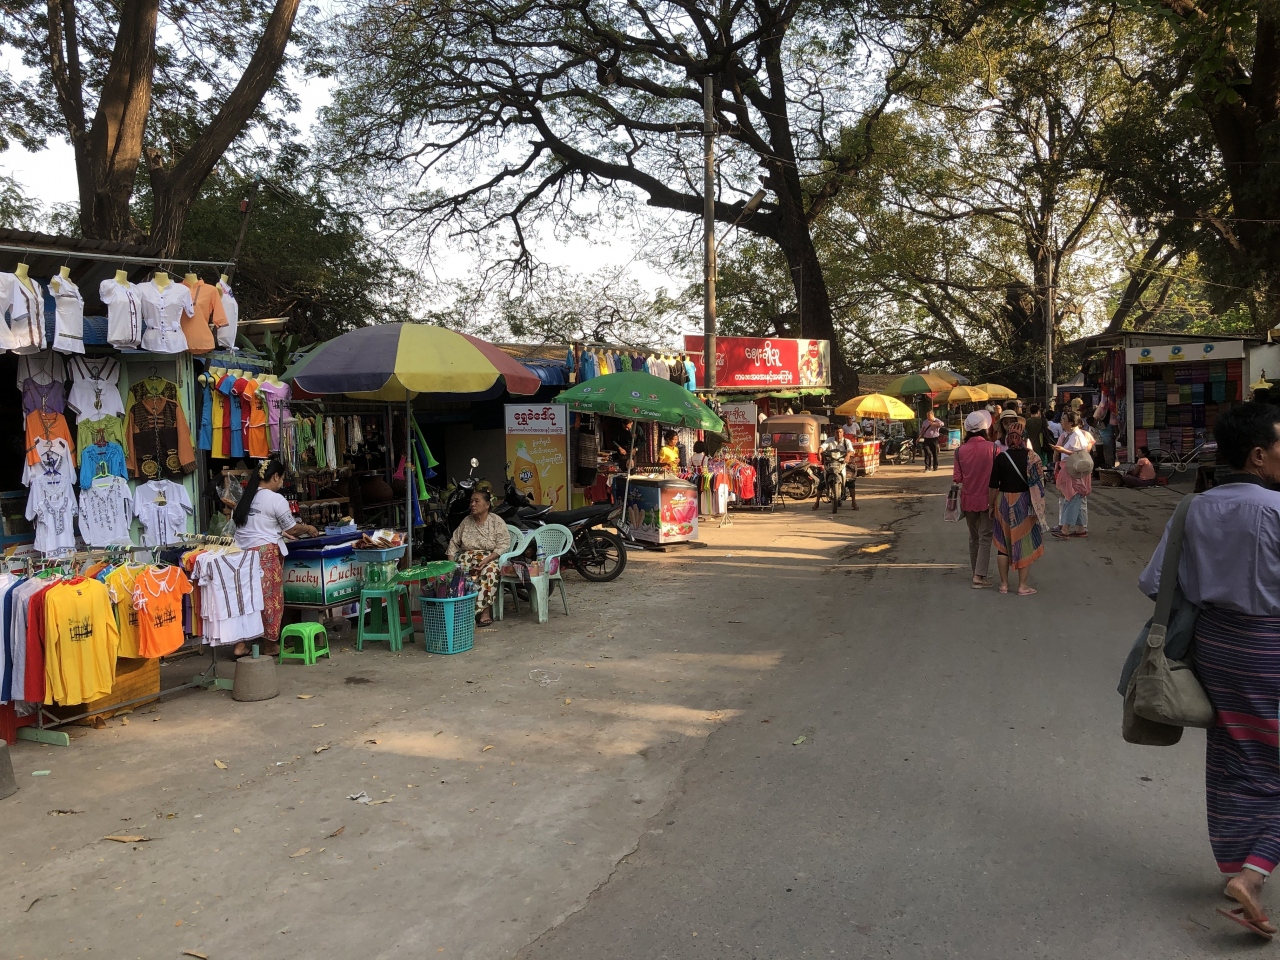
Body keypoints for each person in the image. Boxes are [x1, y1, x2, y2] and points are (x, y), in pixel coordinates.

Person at [1137, 402, 1280, 939]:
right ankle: (1253, 873)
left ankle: (1241, 867)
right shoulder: (1277, 510)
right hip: (1270, 649)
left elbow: (1155, 583)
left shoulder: (1192, 509)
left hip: (1215, 648)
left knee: (1235, 755)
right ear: (1259, 455)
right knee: (1267, 758)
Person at [231, 459, 320, 657]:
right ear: (275, 477)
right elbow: (293, 528)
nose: (281, 483)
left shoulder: (247, 497)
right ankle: (270, 645)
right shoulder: (275, 499)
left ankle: (240, 645)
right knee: (270, 600)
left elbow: (257, 524)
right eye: (281, 478)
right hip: (264, 555)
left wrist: (278, 531)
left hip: (240, 555)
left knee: (245, 600)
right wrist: (308, 528)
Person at [987, 418, 1044, 595]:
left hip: (1003, 501)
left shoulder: (1001, 458)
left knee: (1003, 545)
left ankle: (1004, 585)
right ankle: (1022, 586)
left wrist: (991, 506)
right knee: (1024, 541)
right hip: (1024, 502)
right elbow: (1039, 485)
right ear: (1024, 437)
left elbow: (993, 486)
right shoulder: (1033, 457)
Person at [446, 489, 510, 626]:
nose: (472, 504)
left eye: (476, 501)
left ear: (487, 505)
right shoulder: (466, 521)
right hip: (466, 558)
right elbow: (453, 543)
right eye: (471, 501)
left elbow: (503, 545)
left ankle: (484, 612)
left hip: (488, 558)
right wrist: (451, 565)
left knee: (490, 572)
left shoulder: (496, 521)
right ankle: (461, 613)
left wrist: (486, 560)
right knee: (457, 574)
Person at [953, 410, 997, 588]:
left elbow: (957, 477)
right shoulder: (994, 448)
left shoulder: (959, 451)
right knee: (985, 536)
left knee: (974, 537)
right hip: (989, 499)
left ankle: (976, 572)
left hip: (968, 499)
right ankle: (979, 575)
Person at [1051, 410, 1094, 539]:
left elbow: (1081, 453)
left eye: (1064, 419)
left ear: (1070, 423)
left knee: (1072, 497)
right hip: (1070, 468)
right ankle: (1081, 528)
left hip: (1075, 469)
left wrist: (1063, 450)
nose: (1061, 422)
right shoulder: (1069, 434)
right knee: (1074, 497)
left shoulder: (1077, 436)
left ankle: (1065, 528)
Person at [1024, 403, 1054, 471]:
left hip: (1029, 446)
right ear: (1038, 412)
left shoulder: (1026, 422)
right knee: (1041, 466)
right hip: (1041, 446)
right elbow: (1047, 431)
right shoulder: (1042, 421)